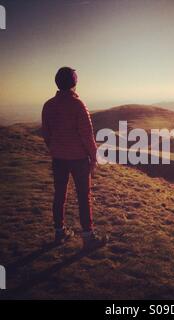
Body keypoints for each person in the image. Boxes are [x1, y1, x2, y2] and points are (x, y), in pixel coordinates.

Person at [42, 67, 106, 248]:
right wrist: (94, 157)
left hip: (58, 159)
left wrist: (55, 149)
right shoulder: (78, 105)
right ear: (75, 83)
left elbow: (46, 134)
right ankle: (88, 236)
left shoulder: (48, 105)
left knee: (59, 195)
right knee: (83, 196)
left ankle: (59, 232)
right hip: (79, 159)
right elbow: (87, 135)